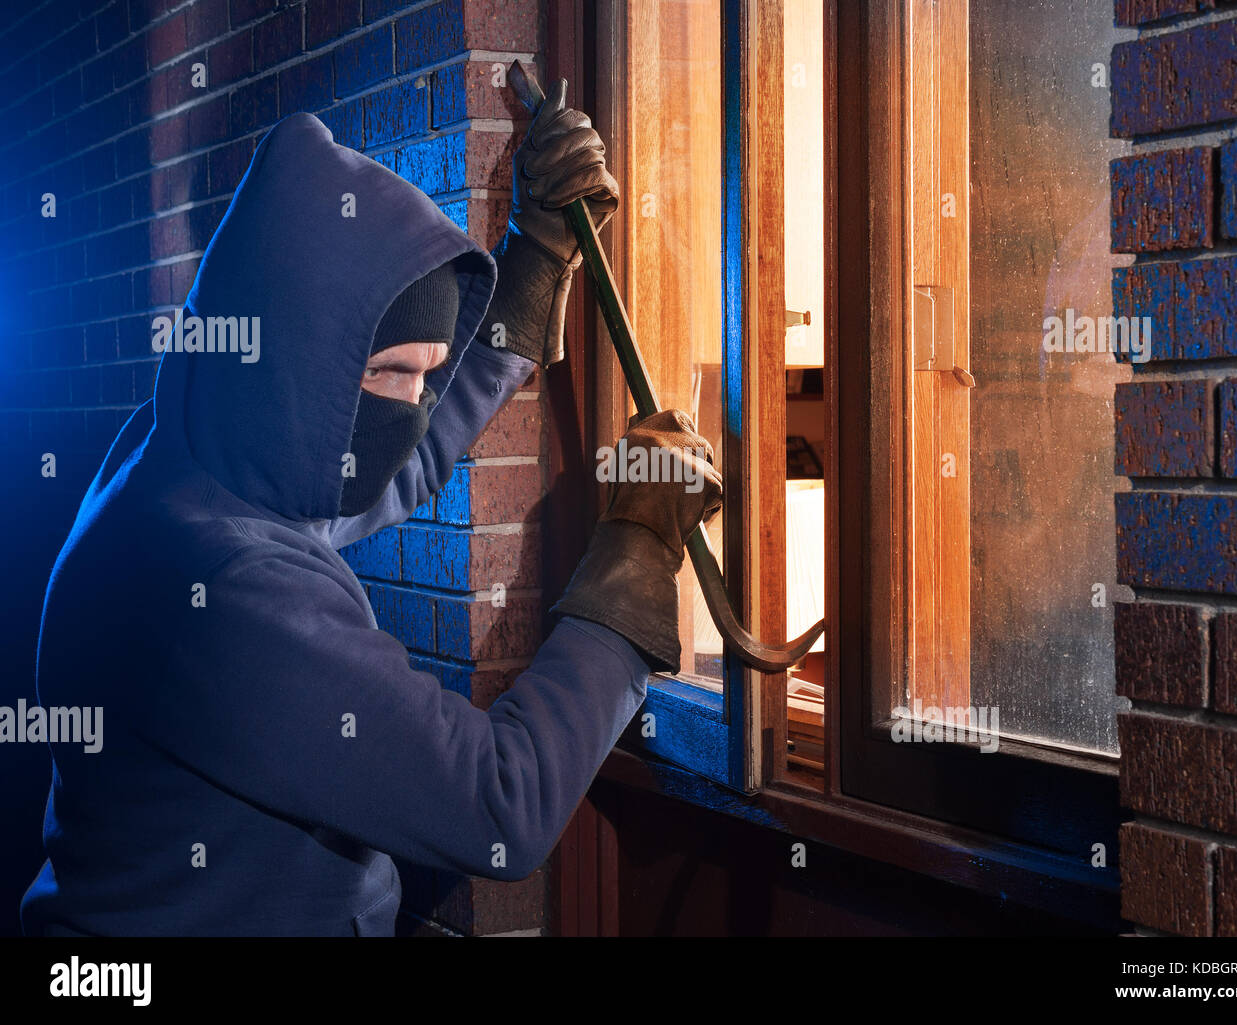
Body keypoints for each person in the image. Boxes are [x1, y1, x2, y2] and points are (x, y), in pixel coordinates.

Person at [20, 80, 721, 936]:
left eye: (427, 375)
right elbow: (499, 807)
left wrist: (537, 251)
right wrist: (637, 545)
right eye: (390, 373)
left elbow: (399, 456)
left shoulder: (191, 452)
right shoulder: (225, 590)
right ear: (293, 368)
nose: (412, 405)